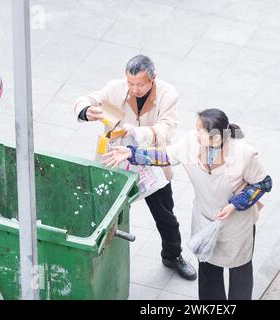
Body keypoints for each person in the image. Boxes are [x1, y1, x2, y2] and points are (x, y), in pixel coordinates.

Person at [102, 108, 273, 300]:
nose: (195, 133)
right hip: (204, 219)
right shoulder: (192, 143)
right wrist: (131, 153)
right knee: (208, 272)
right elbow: (165, 156)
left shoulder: (244, 154)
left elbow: (264, 183)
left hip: (236, 225)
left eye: (200, 130)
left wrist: (235, 204)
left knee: (239, 272)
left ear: (216, 138)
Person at [74, 55, 197, 281]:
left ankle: (173, 255)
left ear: (153, 80)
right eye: (130, 83)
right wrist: (85, 110)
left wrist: (134, 132)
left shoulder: (168, 95)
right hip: (114, 158)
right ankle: (94, 254)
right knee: (103, 209)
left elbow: (167, 128)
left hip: (149, 160)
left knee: (165, 214)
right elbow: (88, 99)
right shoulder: (115, 89)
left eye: (140, 84)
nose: (134, 89)